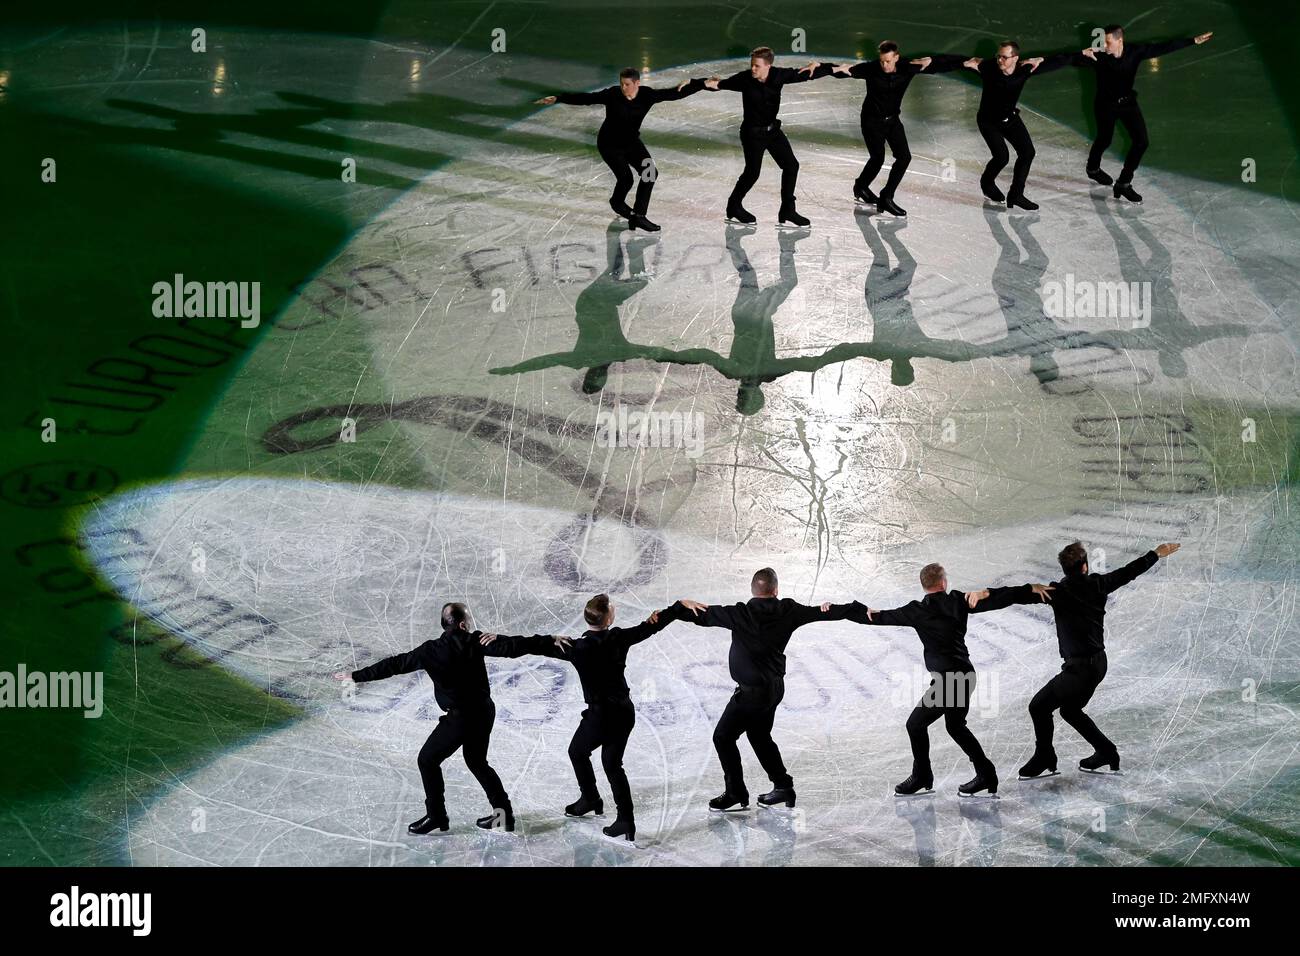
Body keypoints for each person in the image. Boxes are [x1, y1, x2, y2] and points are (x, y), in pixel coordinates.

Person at [334, 602, 567, 835]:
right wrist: (549, 639)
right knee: (477, 762)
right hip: (484, 712)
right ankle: (503, 815)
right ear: (463, 624)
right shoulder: (475, 640)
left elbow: (394, 664)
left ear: (444, 624)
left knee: (427, 760)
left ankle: (437, 816)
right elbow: (515, 646)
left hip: (460, 719)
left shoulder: (429, 650)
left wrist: (356, 676)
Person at [480, 594, 687, 843]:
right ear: (609, 618)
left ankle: (590, 798)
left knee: (578, 752)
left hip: (600, 716)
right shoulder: (619, 638)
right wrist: (677, 607)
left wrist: (500, 639)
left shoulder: (576, 648)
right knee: (612, 763)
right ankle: (624, 819)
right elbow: (650, 626)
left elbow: (530, 645)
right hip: (623, 712)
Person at [970, 542, 1181, 777]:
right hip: (1098, 664)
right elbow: (1129, 572)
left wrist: (986, 593)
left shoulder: (1056, 593)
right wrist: (1155, 554)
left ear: (1065, 570)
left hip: (1078, 670)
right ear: (1085, 567)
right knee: (1070, 710)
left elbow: (1014, 595)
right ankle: (1106, 752)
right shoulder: (1099, 584)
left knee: (1039, 707)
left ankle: (1045, 757)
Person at [841, 563, 1050, 797]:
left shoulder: (916, 610)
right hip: (963, 675)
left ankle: (924, 775)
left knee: (916, 724)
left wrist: (851, 609)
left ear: (924, 585)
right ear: (943, 583)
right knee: (955, 726)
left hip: (950, 681)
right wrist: (1030, 588)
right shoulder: (958, 600)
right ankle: (985, 774)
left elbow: (877, 618)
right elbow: (1003, 597)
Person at [671, 567, 850, 811]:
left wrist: (680, 605)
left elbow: (699, 616)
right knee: (759, 736)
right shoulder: (789, 610)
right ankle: (783, 786)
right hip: (774, 689)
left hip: (752, 694)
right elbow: (822, 613)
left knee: (723, 737)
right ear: (776, 590)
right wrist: (850, 609)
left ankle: (735, 792)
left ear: (753, 590)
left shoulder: (739, 613)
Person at [536, 69, 706, 231]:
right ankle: (617, 203)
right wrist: (559, 98)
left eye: (627, 84)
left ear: (637, 83)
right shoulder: (613, 94)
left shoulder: (648, 95)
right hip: (609, 145)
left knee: (650, 173)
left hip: (631, 142)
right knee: (626, 180)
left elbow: (675, 93)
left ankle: (639, 215)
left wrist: (698, 82)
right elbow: (587, 98)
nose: (623, 88)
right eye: (622, 84)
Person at [698, 47, 834, 226]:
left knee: (791, 166)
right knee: (752, 173)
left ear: (768, 65)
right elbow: (717, 84)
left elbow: (805, 74)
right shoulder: (744, 79)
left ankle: (788, 210)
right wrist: (696, 83)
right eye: (752, 65)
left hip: (772, 131)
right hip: (752, 134)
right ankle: (734, 206)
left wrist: (824, 66)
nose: (753, 69)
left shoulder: (779, 75)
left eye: (757, 66)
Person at [1076, 26, 1214, 203]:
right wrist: (1082, 55)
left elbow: (1163, 47)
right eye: (1102, 41)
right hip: (1105, 106)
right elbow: (1075, 60)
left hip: (1128, 104)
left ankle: (1124, 183)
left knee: (1141, 142)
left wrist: (1193, 41)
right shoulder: (1100, 56)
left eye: (1107, 41)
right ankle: (1093, 169)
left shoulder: (1135, 52)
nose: (1103, 44)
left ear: (1120, 41)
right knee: (1105, 139)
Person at [829, 43, 967, 216]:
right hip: (871, 122)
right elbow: (843, 70)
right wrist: (820, 68)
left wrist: (964, 61)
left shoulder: (907, 67)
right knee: (877, 158)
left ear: (896, 57)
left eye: (888, 61)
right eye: (882, 61)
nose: (885, 65)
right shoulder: (871, 69)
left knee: (904, 158)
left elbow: (936, 62)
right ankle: (861, 186)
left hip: (893, 121)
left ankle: (886, 197)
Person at [960, 42, 1074, 210]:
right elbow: (966, 62)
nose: (1000, 60)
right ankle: (987, 182)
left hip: (1009, 119)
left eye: (1004, 57)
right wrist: (942, 62)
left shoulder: (1023, 70)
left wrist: (1078, 55)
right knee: (1002, 157)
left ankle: (1016, 194)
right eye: (998, 56)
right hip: (988, 122)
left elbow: (1053, 62)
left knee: (1027, 152)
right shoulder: (989, 68)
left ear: (1015, 58)